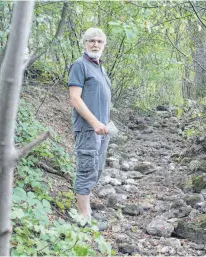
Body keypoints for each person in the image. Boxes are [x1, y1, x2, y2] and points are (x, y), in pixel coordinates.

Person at [68, 27, 111, 222]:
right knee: (86, 170)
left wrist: (105, 124)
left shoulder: (101, 68)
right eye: (91, 41)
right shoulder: (79, 65)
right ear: (84, 43)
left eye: (99, 41)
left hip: (102, 130)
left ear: (104, 44)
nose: (95, 44)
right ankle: (83, 218)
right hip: (88, 129)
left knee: (97, 169)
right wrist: (94, 123)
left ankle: (88, 212)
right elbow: (75, 99)